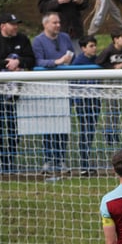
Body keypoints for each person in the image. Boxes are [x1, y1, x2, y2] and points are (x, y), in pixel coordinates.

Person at [0, 13, 35, 172]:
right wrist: (6, 63)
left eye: (16, 23)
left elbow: (31, 58)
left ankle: (11, 161)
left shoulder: (23, 39)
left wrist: (19, 62)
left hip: (16, 93)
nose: (15, 26)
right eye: (12, 24)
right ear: (3, 25)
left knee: (13, 128)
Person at [32, 12, 75, 173]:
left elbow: (72, 54)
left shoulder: (65, 38)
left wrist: (69, 60)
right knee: (48, 125)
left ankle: (61, 159)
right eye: (54, 22)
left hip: (65, 86)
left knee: (63, 125)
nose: (58, 25)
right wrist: (56, 62)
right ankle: (49, 160)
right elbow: (38, 61)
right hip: (47, 87)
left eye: (59, 22)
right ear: (45, 24)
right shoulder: (38, 41)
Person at [71, 35, 101, 175]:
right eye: (91, 46)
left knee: (91, 131)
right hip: (83, 101)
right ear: (83, 48)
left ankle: (87, 162)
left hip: (95, 99)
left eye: (95, 45)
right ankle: (84, 164)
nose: (94, 48)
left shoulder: (97, 59)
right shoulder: (78, 62)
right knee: (85, 131)